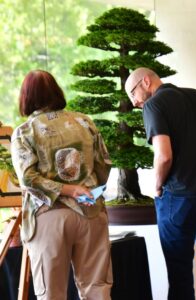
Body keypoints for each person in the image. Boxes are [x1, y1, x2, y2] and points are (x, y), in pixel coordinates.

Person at [126, 67, 196, 300]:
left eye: (132, 94)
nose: (135, 103)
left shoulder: (154, 105)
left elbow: (164, 155)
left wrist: (157, 186)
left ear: (146, 81)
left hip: (178, 198)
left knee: (179, 273)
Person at [11, 70, 113, 300]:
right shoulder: (84, 121)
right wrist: (86, 189)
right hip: (91, 212)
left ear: (26, 98)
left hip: (50, 216)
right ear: (56, 91)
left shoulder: (25, 132)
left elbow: (28, 178)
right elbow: (104, 164)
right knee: (97, 289)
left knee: (51, 294)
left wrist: (66, 190)